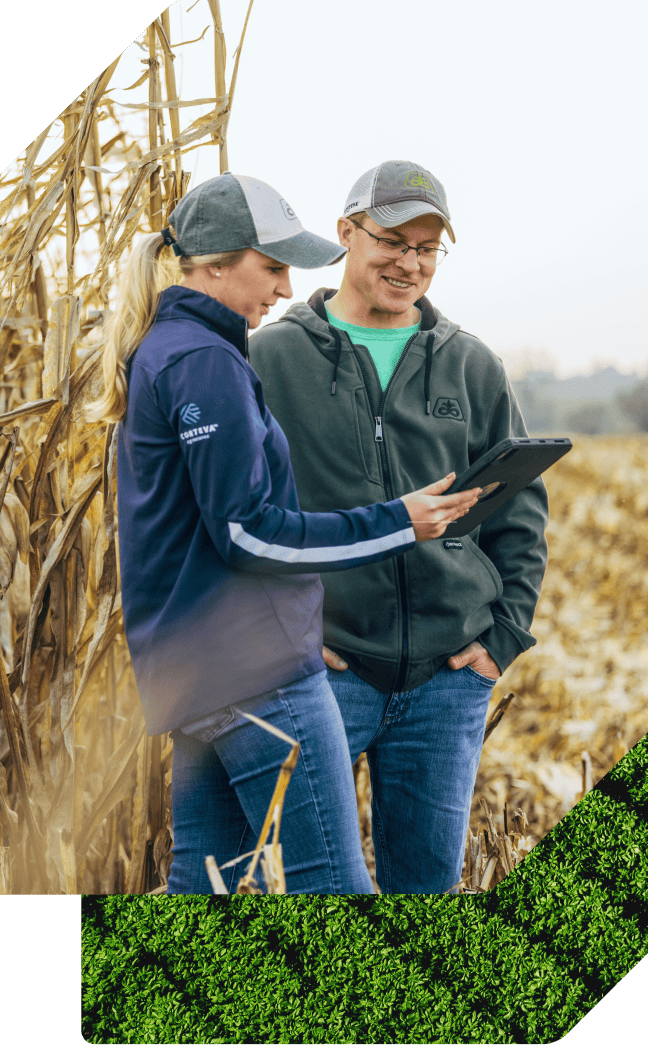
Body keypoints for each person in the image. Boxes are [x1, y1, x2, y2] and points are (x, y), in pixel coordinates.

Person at [85, 172, 480, 895]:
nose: (285, 285)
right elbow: (247, 533)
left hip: (195, 673)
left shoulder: (168, 349)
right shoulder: (204, 360)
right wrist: (399, 520)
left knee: (205, 882)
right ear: (212, 263)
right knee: (333, 886)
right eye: (270, 266)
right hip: (256, 673)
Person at [248, 161, 549, 894]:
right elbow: (232, 513)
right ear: (346, 232)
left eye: (427, 248)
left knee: (428, 894)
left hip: (448, 679)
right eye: (392, 240)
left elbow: (519, 510)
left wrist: (502, 635)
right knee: (316, 886)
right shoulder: (268, 358)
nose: (409, 263)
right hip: (323, 668)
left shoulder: (473, 365)